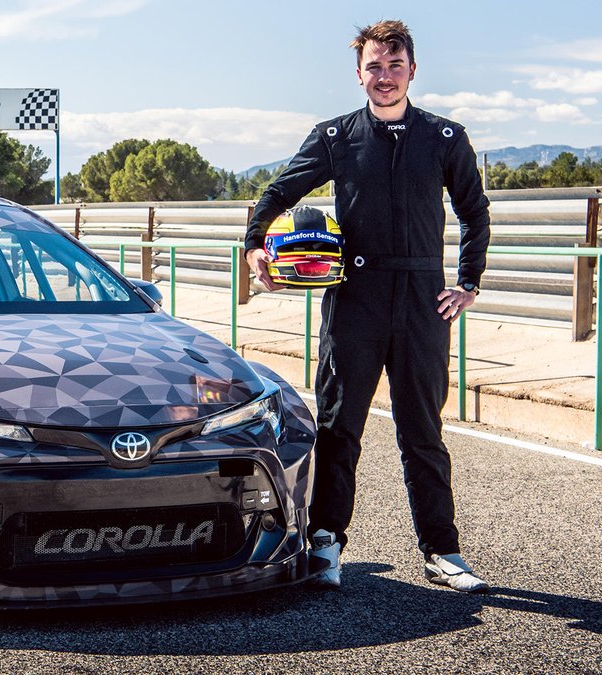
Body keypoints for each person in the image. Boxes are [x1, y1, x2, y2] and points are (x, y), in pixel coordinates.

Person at [243, 20, 491, 593]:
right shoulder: (334, 137)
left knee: (423, 431)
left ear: (412, 69)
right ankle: (326, 542)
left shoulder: (446, 138)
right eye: (374, 67)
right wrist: (256, 243)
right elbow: (279, 191)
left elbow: (475, 213)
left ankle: (442, 550)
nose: (385, 76)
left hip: (423, 301)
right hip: (354, 300)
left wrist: (468, 283)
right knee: (338, 427)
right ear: (359, 74)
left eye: (394, 65)